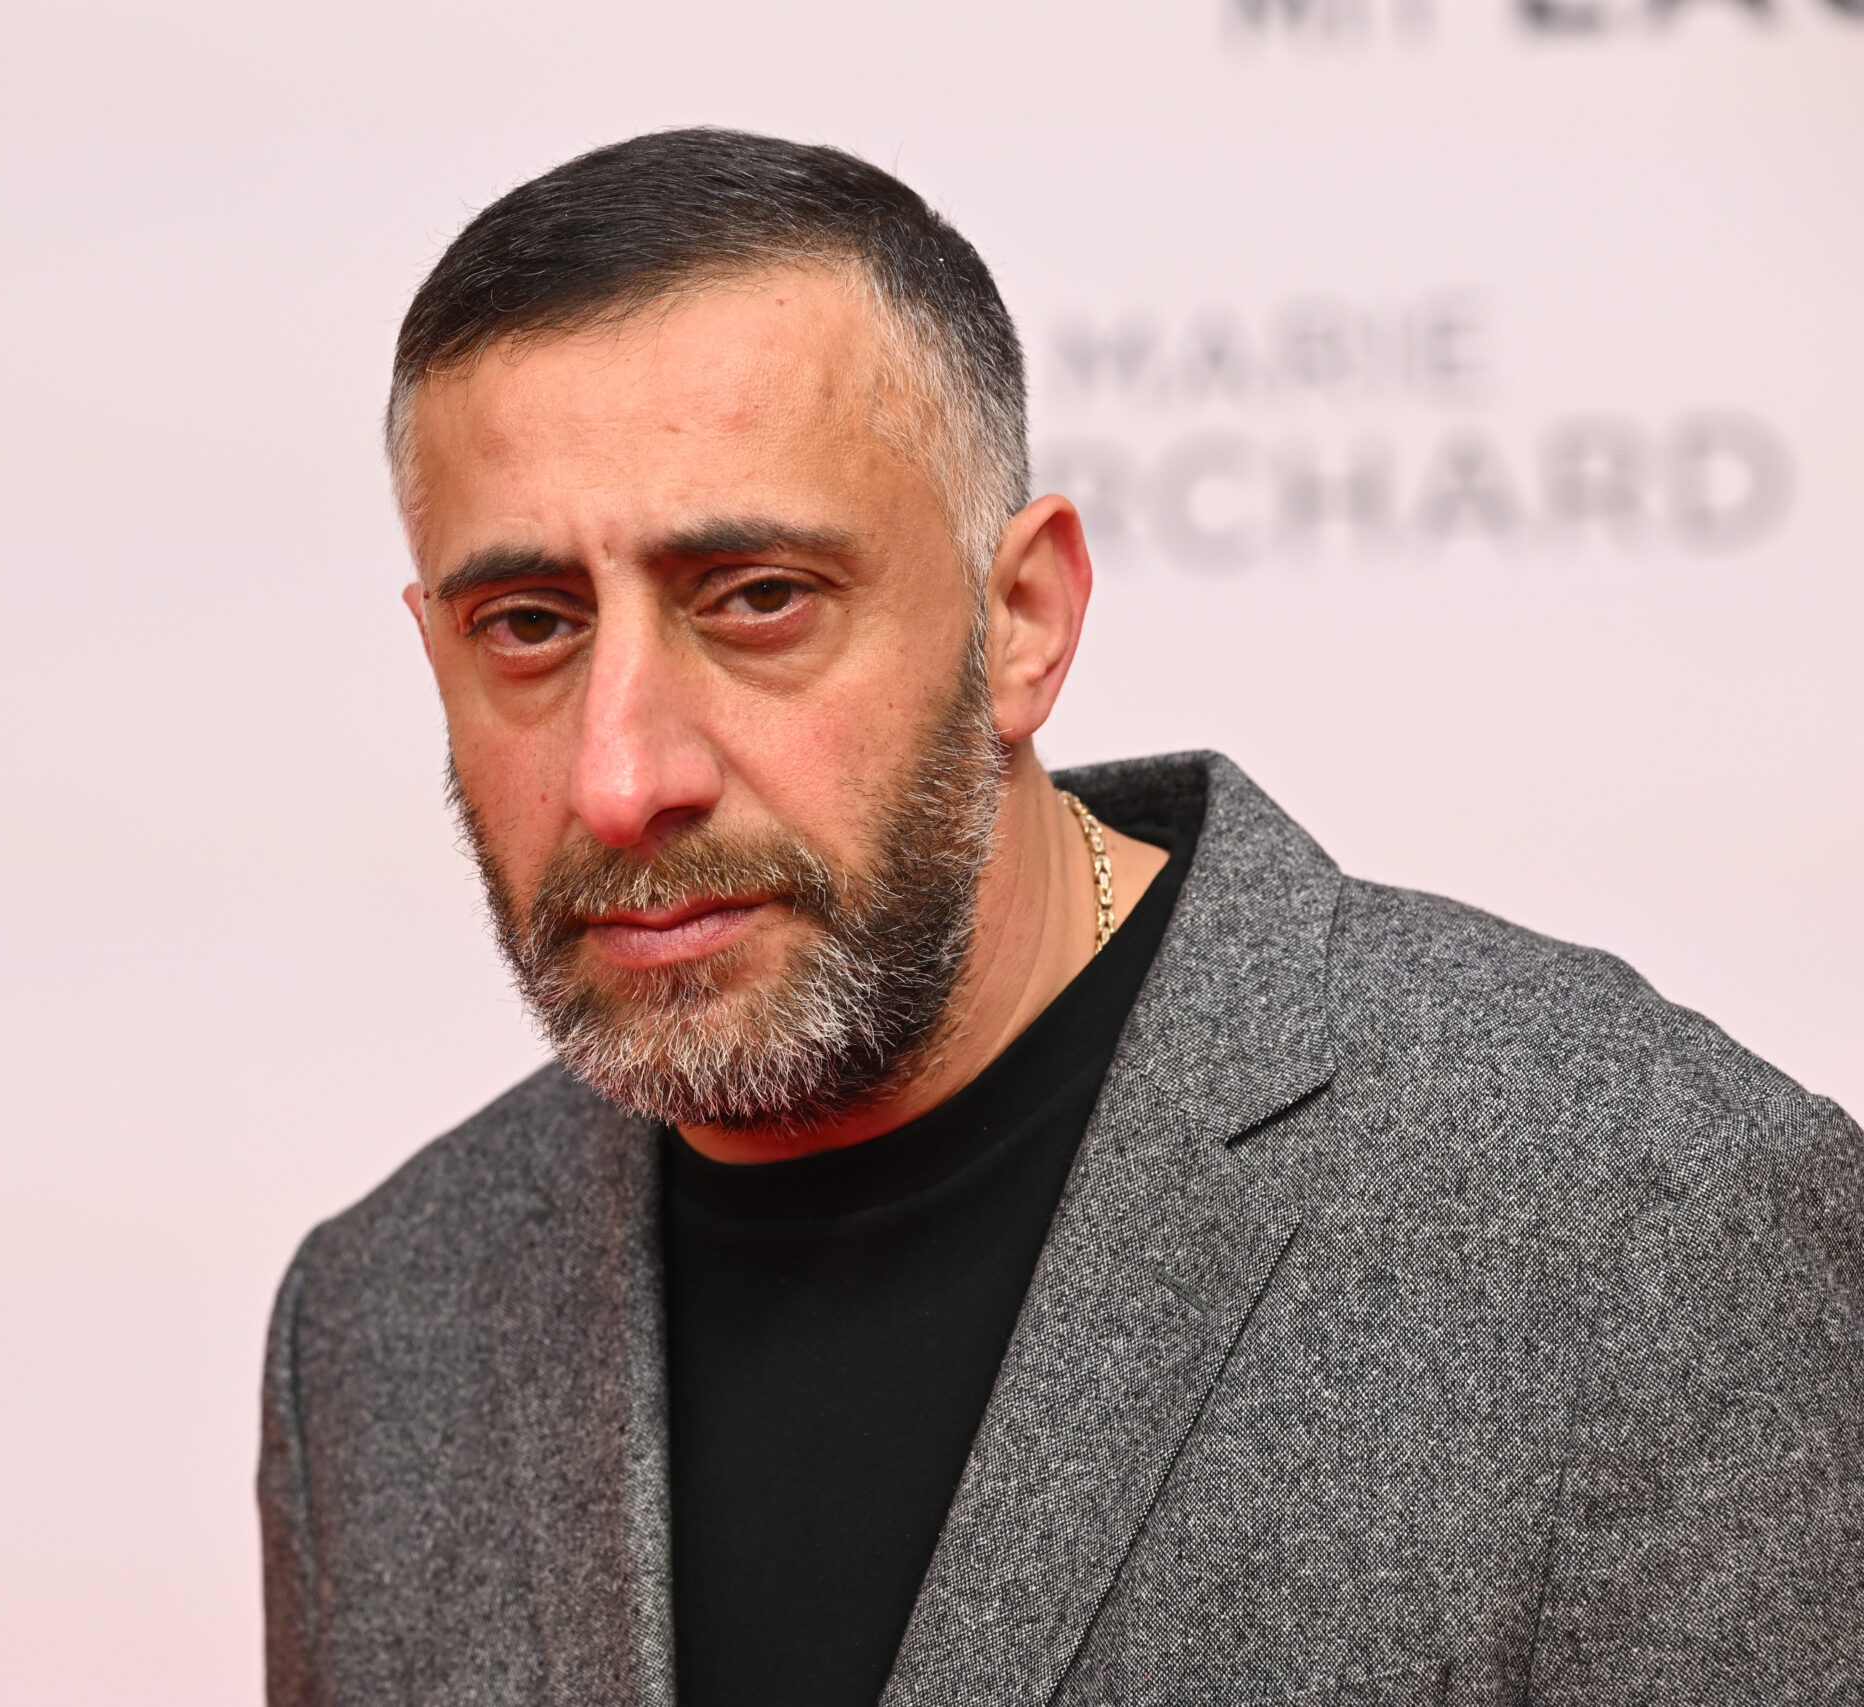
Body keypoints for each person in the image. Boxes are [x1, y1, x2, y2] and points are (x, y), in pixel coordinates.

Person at [256, 129, 1862, 1707]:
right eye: (528, 625)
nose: (622, 780)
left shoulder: (1641, 1218)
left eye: (757, 601)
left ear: (1022, 620)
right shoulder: (378, 1325)